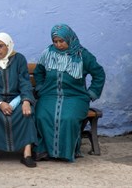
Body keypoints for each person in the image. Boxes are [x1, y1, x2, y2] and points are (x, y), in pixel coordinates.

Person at [34, 24, 106, 162]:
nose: (58, 45)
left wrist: (91, 94)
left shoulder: (82, 55)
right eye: (55, 41)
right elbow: (38, 72)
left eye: (62, 41)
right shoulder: (48, 53)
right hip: (49, 95)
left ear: (69, 38)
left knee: (68, 118)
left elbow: (99, 74)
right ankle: (44, 151)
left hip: (76, 97)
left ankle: (66, 152)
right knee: (41, 116)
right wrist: (41, 88)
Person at [0, 33, 37, 168]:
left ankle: (27, 153)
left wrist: (26, 100)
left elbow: (25, 83)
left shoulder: (19, 59)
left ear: (8, 46)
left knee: (27, 110)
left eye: (0, 46)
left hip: (16, 97)